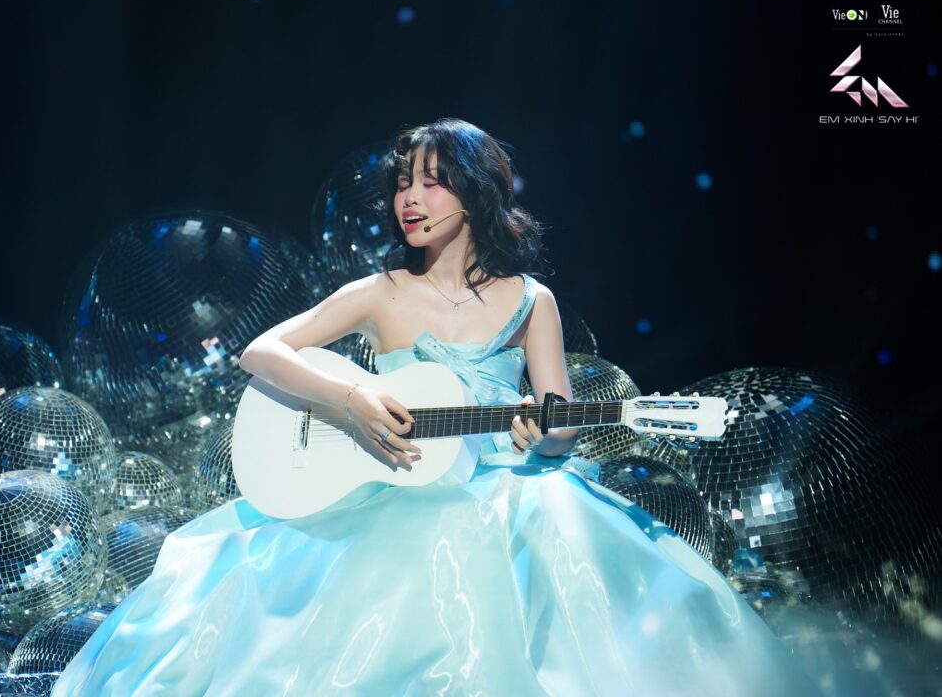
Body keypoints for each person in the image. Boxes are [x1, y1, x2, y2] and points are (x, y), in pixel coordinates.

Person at [52, 118, 818, 696]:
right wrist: (352, 396)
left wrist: (547, 438)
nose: (409, 200)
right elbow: (263, 352)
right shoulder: (381, 292)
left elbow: (558, 426)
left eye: (431, 183)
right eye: (402, 184)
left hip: (508, 496)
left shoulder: (532, 300)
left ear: (476, 192)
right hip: (389, 488)